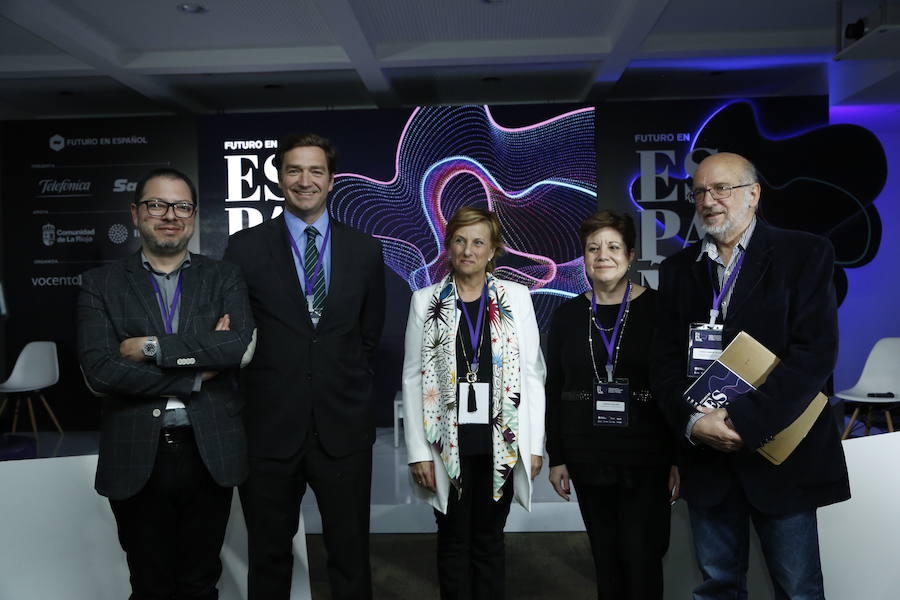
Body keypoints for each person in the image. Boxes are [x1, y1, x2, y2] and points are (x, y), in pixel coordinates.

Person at [651, 152, 850, 599]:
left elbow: (815, 355)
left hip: (779, 455)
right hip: (707, 461)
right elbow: (663, 365)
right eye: (700, 191)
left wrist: (744, 421)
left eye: (722, 188)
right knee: (717, 586)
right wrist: (694, 422)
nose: (709, 200)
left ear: (754, 194)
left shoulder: (805, 253)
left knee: (798, 589)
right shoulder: (677, 270)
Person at [77, 167, 256, 600]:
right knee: (150, 583)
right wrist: (195, 373)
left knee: (199, 581)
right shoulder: (99, 284)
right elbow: (101, 370)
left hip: (208, 447)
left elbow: (233, 346)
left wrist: (153, 348)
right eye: (157, 204)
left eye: (181, 206)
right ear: (136, 213)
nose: (169, 215)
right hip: (137, 451)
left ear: (193, 216)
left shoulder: (223, 277)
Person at [223, 133, 385, 600]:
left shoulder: (364, 249)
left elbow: (368, 336)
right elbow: (237, 337)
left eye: (315, 171)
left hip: (343, 428)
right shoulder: (244, 249)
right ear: (279, 177)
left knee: (350, 554)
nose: (304, 180)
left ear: (332, 181)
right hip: (270, 428)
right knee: (269, 555)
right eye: (294, 170)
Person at [402, 206, 545, 600]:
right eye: (460, 240)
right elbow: (412, 377)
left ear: (493, 249)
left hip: (501, 440)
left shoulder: (516, 298)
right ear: (448, 247)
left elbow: (533, 375)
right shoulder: (425, 301)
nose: (469, 250)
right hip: (447, 443)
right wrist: (418, 452)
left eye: (478, 242)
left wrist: (533, 447)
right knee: (452, 539)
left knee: (490, 538)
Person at [545, 210, 677, 599]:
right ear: (584, 257)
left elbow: (674, 388)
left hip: (646, 455)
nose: (603, 255)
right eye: (593, 248)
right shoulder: (568, 315)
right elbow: (555, 386)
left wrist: (677, 458)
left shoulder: (659, 310)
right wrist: (557, 456)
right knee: (605, 558)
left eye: (613, 246)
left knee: (644, 558)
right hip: (587, 452)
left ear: (630, 255)